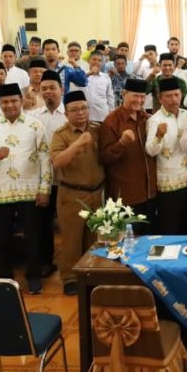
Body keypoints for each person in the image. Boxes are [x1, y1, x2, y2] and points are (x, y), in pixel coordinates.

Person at [0, 83, 52, 294]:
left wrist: (45, 188)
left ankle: (34, 277)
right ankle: (5, 277)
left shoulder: (35, 125)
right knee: (1, 237)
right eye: (5, 102)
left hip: (30, 190)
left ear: (21, 101)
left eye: (13, 101)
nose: (9, 105)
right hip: (0, 192)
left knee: (33, 237)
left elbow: (45, 158)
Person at [50, 90, 104, 296]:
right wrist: (79, 143)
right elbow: (57, 162)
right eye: (75, 110)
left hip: (96, 192)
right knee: (72, 239)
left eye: (83, 108)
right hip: (72, 194)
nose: (80, 113)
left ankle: (92, 272)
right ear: (66, 113)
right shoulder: (61, 134)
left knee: (95, 237)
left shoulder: (97, 130)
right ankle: (70, 277)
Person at [100, 77, 158, 227]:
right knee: (129, 238)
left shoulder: (146, 118)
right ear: (124, 94)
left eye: (142, 97)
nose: (139, 100)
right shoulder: (111, 121)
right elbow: (104, 157)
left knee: (150, 236)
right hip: (125, 196)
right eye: (135, 96)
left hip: (149, 193)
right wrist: (121, 143)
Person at [144, 77, 187, 234]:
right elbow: (150, 150)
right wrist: (159, 136)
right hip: (169, 183)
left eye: (176, 95)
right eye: (169, 96)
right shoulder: (155, 120)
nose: (174, 99)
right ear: (160, 98)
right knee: (170, 227)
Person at [30, 70, 68, 277]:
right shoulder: (32, 117)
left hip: (66, 180)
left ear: (61, 89)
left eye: (52, 88)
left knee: (68, 224)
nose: (48, 92)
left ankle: (71, 263)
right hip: (42, 182)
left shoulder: (71, 113)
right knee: (43, 225)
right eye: (44, 88)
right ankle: (46, 261)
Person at [82, 53, 115, 122]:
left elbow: (110, 97)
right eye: (94, 59)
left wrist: (112, 113)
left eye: (99, 60)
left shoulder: (106, 78)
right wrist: (89, 73)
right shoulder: (82, 75)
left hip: (101, 117)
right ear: (89, 61)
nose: (96, 62)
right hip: (83, 116)